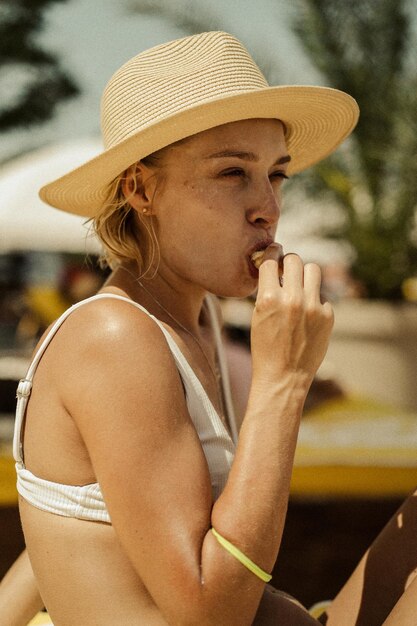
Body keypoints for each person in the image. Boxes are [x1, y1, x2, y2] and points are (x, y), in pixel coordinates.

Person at [1, 30, 417, 626]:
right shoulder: (114, 338)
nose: (267, 208)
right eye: (231, 174)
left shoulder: (195, 320)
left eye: (276, 175)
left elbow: (79, 534)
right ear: (141, 189)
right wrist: (282, 383)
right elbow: (208, 614)